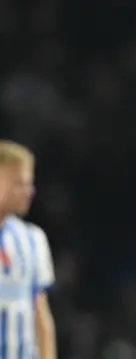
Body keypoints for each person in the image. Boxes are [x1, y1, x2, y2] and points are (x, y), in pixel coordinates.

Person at [0, 140, 57, 359]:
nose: (28, 191)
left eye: (28, 184)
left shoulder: (33, 239)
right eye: (18, 183)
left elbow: (40, 312)